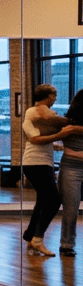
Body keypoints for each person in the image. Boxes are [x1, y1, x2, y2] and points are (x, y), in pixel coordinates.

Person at [21, 84, 82, 257]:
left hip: (42, 162)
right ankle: (37, 239)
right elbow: (37, 139)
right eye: (54, 96)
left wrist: (60, 139)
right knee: (54, 201)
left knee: (42, 202)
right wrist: (69, 127)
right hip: (36, 163)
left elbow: (46, 133)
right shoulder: (37, 110)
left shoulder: (37, 114)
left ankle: (30, 236)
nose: (56, 99)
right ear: (48, 96)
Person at [56, 91, 83, 258]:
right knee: (71, 209)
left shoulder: (71, 126)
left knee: (71, 208)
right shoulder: (66, 123)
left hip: (72, 163)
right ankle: (66, 244)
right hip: (71, 167)